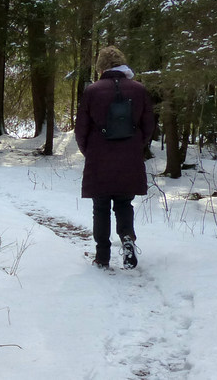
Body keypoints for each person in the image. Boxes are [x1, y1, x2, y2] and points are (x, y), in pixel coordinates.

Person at [75, 46, 155, 270]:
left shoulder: (92, 91)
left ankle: (102, 256)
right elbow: (149, 125)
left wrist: (88, 150)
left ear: (101, 65)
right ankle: (128, 239)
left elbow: (81, 128)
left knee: (100, 206)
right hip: (129, 157)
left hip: (99, 157)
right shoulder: (139, 90)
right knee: (124, 202)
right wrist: (136, 146)